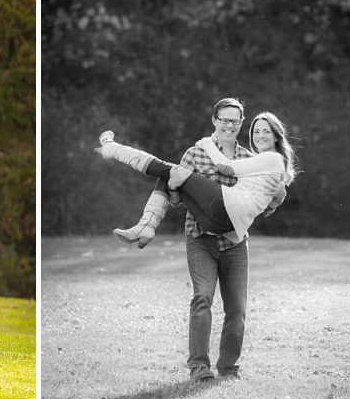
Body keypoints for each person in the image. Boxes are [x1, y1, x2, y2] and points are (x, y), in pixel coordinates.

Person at [95, 98, 296, 383]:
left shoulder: (251, 158)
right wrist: (176, 190)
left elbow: (259, 205)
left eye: (235, 121)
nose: (229, 125)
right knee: (202, 298)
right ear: (215, 120)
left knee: (236, 309)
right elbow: (179, 198)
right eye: (224, 119)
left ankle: (228, 368)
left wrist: (278, 198)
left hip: (234, 241)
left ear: (241, 125)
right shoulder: (195, 153)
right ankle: (199, 368)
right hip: (201, 236)